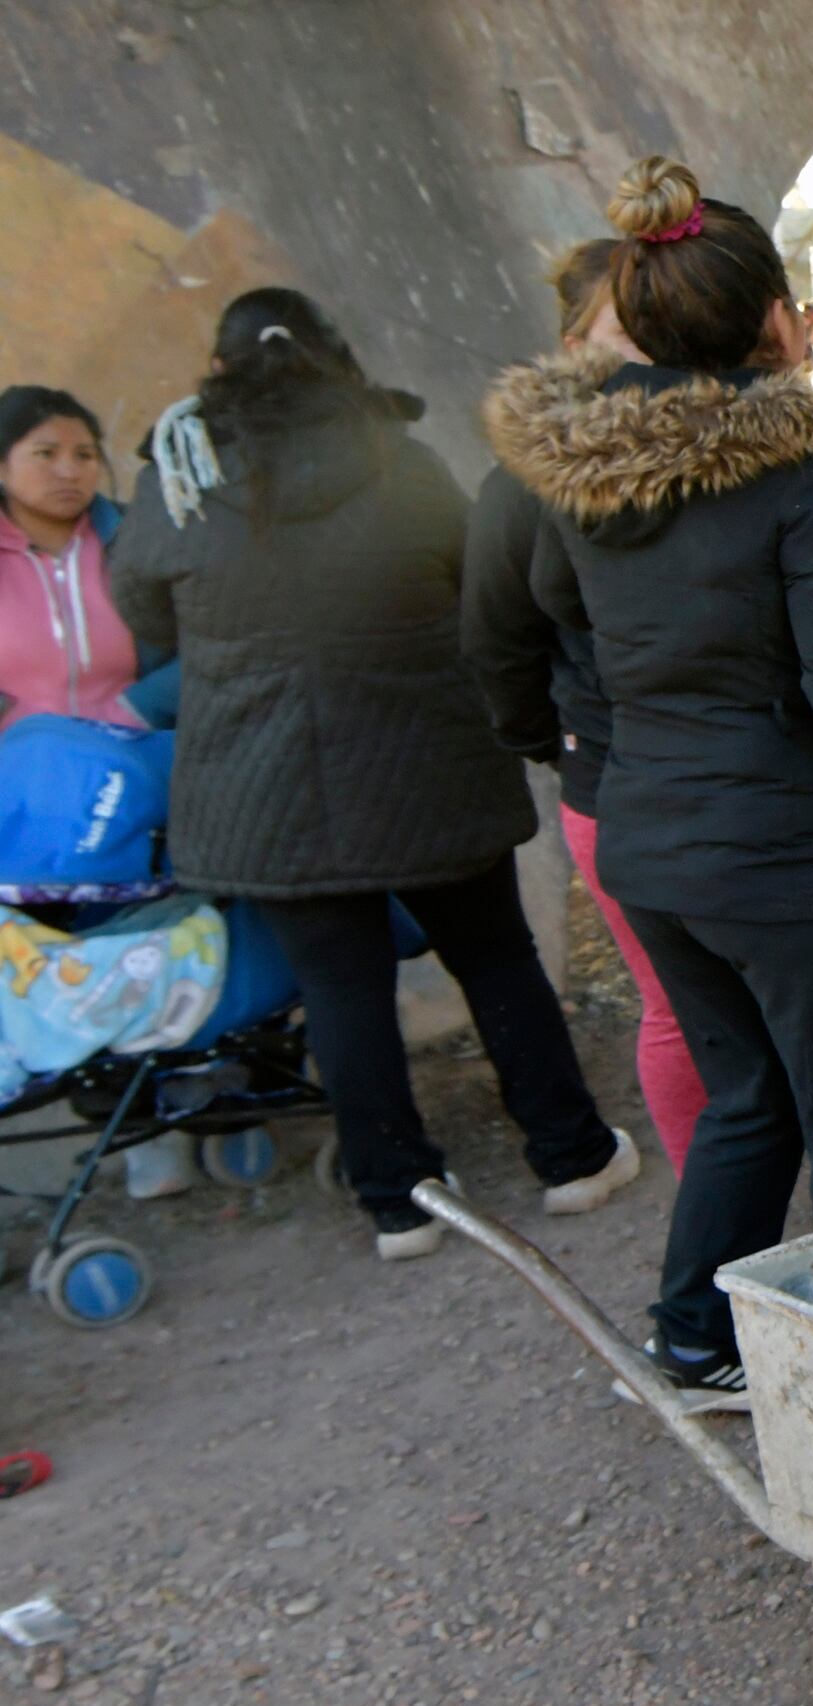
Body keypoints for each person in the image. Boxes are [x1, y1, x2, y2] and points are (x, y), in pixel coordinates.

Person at [483, 161, 813, 1387]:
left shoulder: (578, 471)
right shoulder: (801, 468)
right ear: (773, 317)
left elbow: (540, 615)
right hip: (791, 850)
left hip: (650, 834)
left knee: (749, 1097)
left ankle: (697, 1337)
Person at [111, 287, 639, 1262]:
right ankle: (571, 1158)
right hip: (426, 757)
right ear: (336, 359)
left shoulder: (179, 472)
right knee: (495, 956)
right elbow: (473, 578)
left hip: (262, 777)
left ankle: (400, 1200)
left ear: (221, 371)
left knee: (340, 987)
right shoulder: (400, 455)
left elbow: (142, 606)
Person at [460, 241, 710, 1176]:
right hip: (612, 779)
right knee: (677, 1008)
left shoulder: (733, 445)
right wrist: (559, 744)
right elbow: (496, 643)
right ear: (575, 343)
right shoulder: (520, 481)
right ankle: (721, 1219)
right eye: (628, 323)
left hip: (723, 773)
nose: (653, 344)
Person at [0, 387, 151, 740]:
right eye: (46, 454)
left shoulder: (137, 539)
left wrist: (139, 710)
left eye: (84, 455)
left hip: (132, 755)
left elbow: (201, 643)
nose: (69, 472)